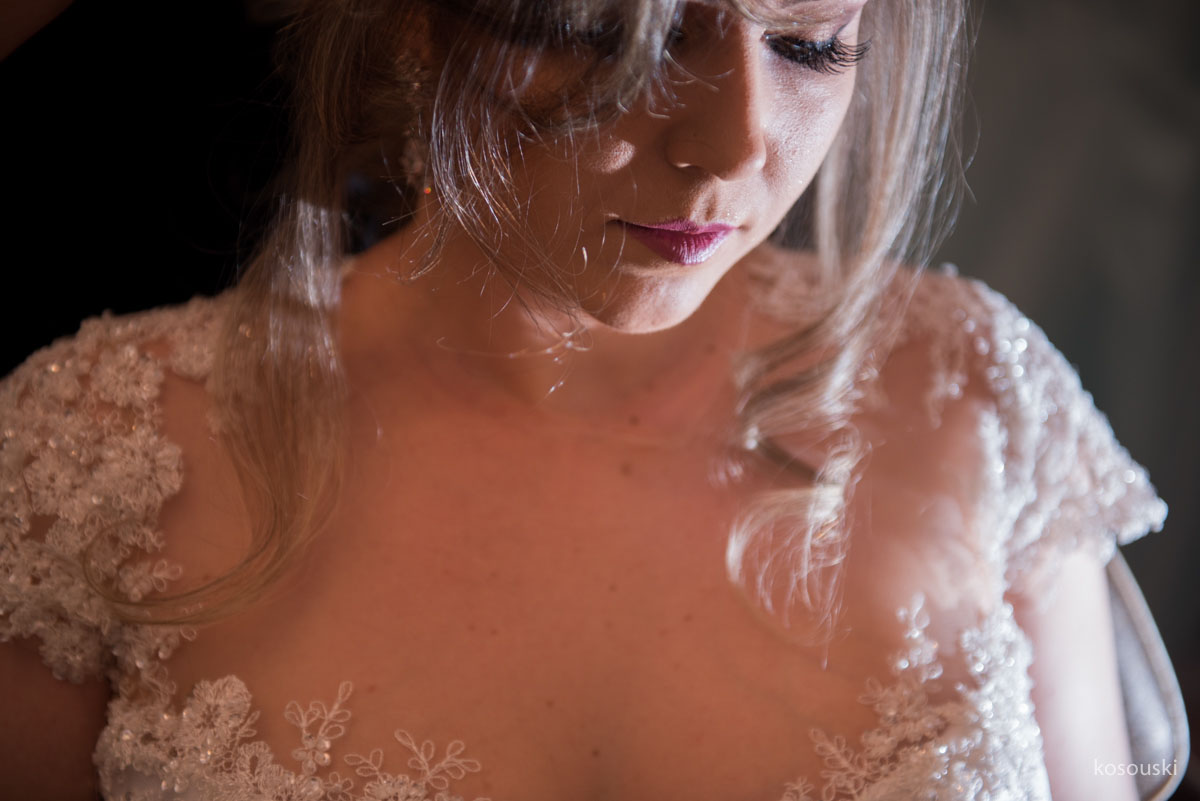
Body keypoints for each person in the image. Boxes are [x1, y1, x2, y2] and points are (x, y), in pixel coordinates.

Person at [0, 0, 1179, 799]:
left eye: (810, 44)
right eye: (613, 36)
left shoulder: (967, 389)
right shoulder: (98, 455)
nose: (733, 142)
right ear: (414, 19)